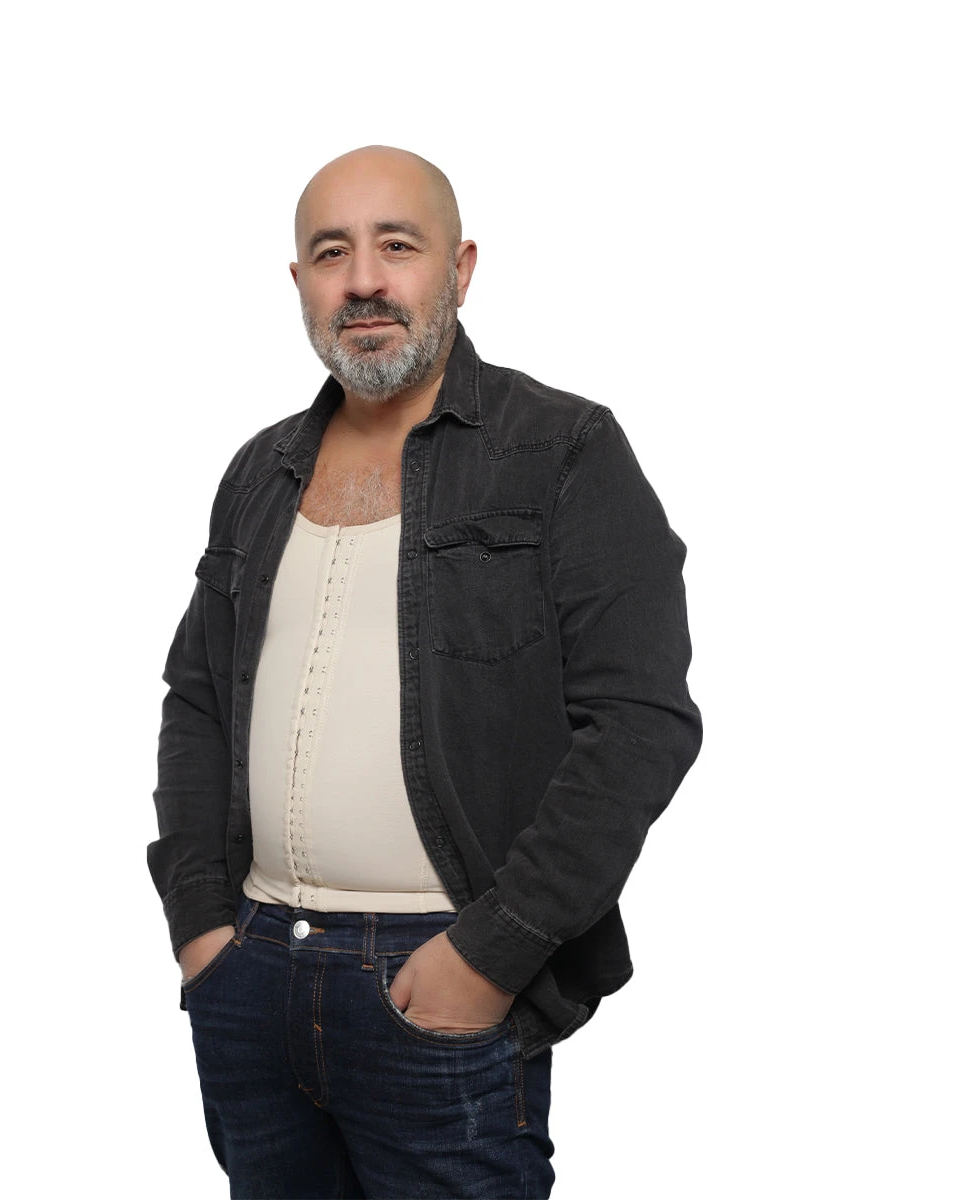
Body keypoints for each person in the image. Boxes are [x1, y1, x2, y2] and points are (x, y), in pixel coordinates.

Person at [147, 144, 702, 1198]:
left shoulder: (563, 451)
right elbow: (198, 701)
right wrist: (201, 927)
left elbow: (639, 726)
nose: (363, 280)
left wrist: (490, 954)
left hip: (436, 982)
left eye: (397, 246)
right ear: (300, 282)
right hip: (251, 976)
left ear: (460, 268)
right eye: (331, 253)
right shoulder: (260, 471)